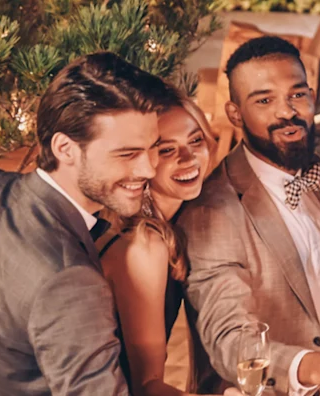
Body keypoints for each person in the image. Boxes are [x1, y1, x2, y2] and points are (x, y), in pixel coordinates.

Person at [0, 52, 182, 395]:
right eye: (127, 154)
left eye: (153, 148)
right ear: (65, 149)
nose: (148, 169)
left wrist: (0, 368)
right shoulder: (71, 280)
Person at [178, 36, 320, 395]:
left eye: (297, 94)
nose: (286, 112)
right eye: (264, 100)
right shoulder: (212, 210)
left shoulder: (308, 171)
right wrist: (317, 367)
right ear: (235, 113)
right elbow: (228, 340)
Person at [96, 98, 240, 395]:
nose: (188, 158)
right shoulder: (144, 244)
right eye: (166, 149)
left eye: (195, 140)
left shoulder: (167, 223)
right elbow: (146, 386)